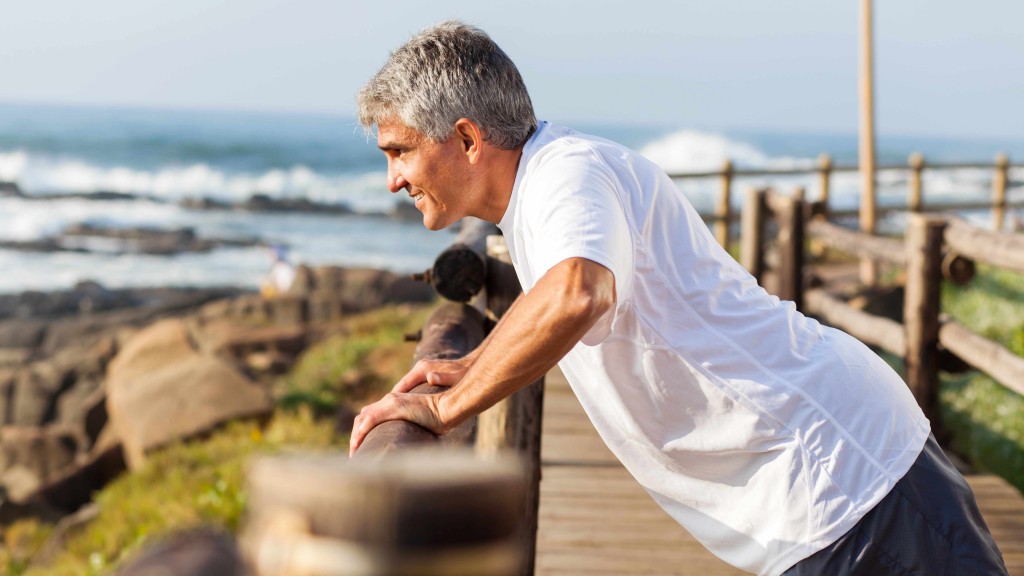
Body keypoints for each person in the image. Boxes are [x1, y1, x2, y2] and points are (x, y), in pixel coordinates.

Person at [349, 20, 1007, 575]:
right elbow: (568, 292)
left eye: (400, 151)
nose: (392, 180)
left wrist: (447, 407)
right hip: (819, 494)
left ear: (466, 139)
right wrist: (471, 363)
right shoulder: (545, 189)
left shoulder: (565, 175)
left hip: (848, 483)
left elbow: (580, 292)